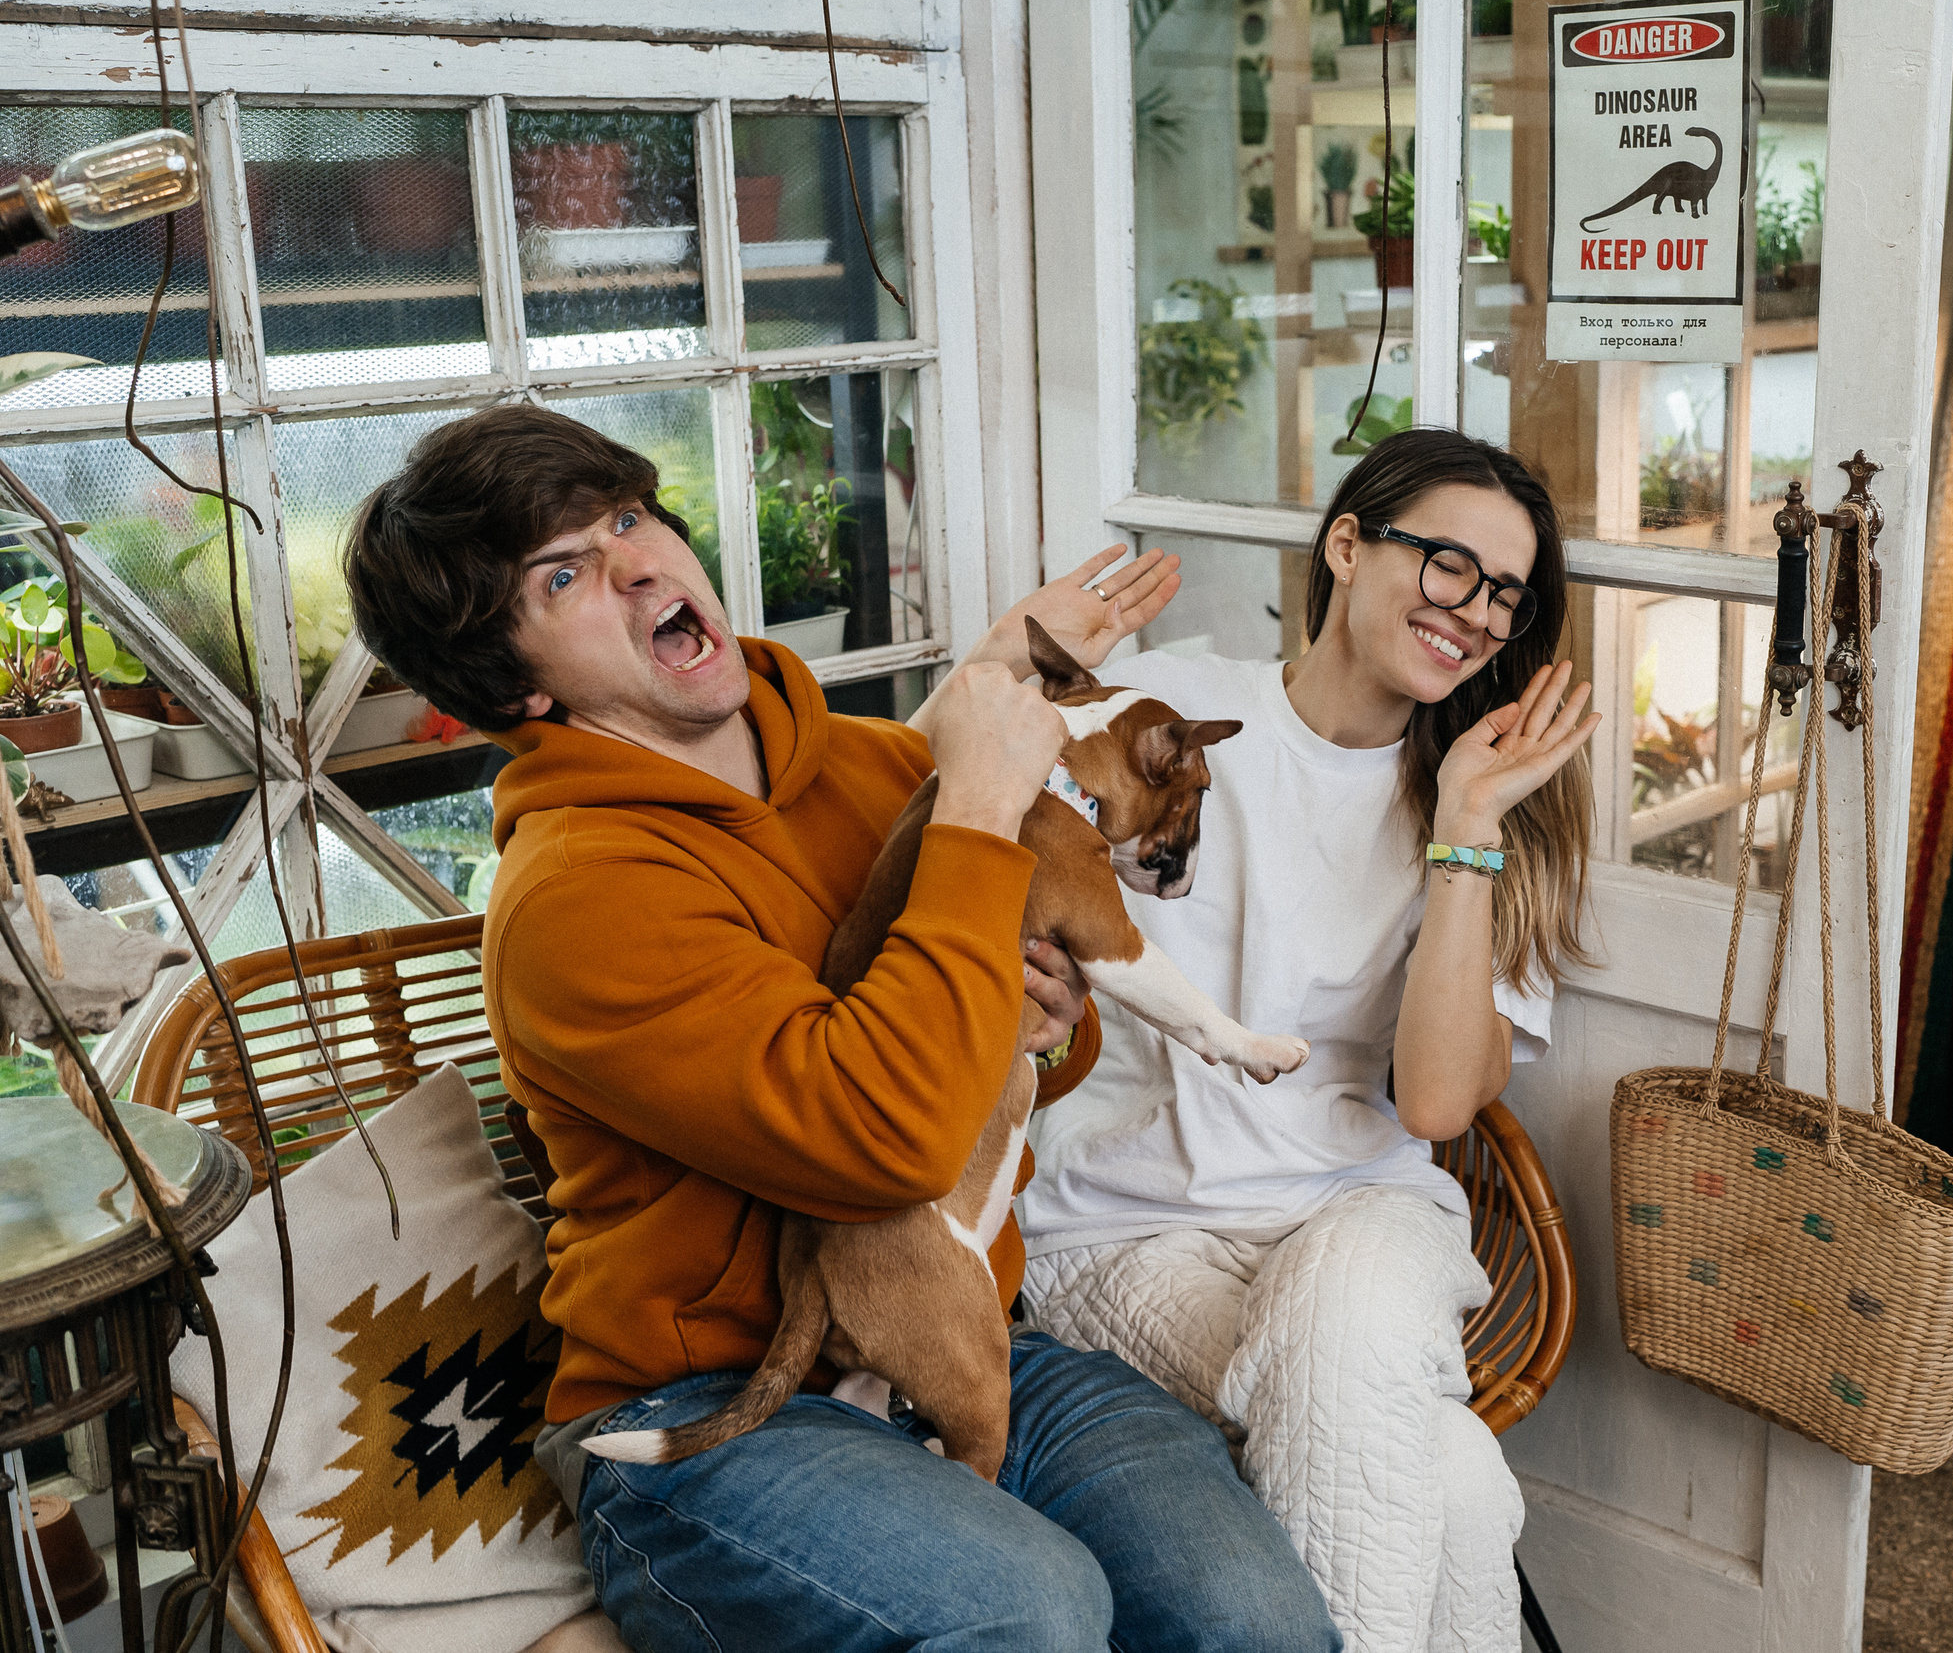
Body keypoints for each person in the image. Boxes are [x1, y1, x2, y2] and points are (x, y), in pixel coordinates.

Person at [341, 403, 1340, 1653]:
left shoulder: (874, 766)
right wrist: (978, 807)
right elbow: (884, 1146)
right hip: (713, 1414)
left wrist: (1043, 1016)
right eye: (564, 572)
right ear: (517, 682)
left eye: (629, 518)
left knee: (1253, 1622)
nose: (637, 562)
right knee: (1029, 1611)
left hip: (969, 1331)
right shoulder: (576, 897)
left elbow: (1051, 1044)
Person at [1016, 428, 1599, 1653]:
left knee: (1344, 1346)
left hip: (1364, 1208)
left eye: (1507, 593)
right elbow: (937, 807)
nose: (1479, 613)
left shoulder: (1497, 804)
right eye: (1449, 565)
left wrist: (1466, 827)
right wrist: (1010, 663)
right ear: (1346, 544)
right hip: (1132, 1224)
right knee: (1445, 1473)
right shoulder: (1178, 714)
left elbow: (1437, 1106)